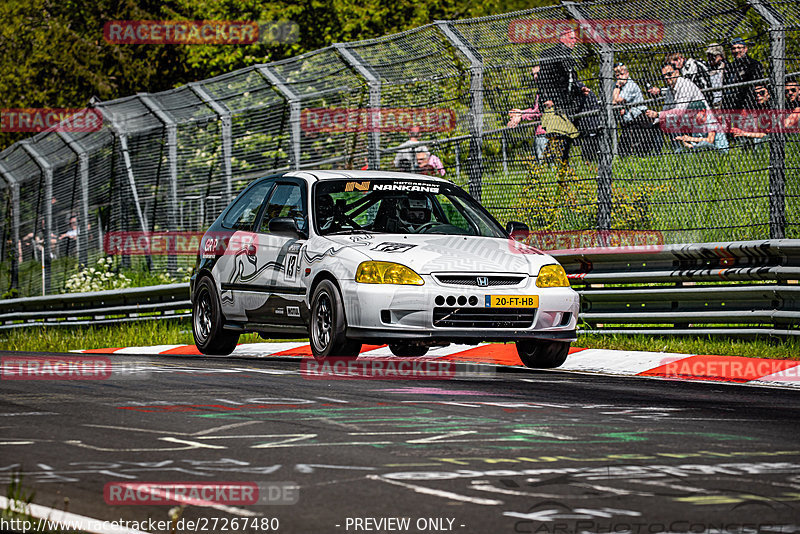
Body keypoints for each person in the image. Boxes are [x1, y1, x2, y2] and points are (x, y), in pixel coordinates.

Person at [537, 28, 596, 163]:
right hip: (556, 101)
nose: (574, 41)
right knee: (559, 135)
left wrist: (580, 88)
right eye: (571, 38)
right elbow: (543, 79)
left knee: (572, 131)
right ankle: (554, 164)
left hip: (568, 100)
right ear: (562, 38)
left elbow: (569, 80)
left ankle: (586, 156)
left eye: (575, 38)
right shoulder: (551, 54)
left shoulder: (568, 56)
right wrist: (548, 98)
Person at [613, 62, 661, 156]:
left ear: (627, 73)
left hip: (640, 118)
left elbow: (616, 101)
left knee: (642, 149)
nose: (619, 77)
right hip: (630, 120)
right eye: (617, 75)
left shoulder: (629, 85)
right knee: (623, 150)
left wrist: (617, 87)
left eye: (622, 74)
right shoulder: (618, 85)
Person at [507, 65, 549, 162]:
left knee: (545, 164)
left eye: (537, 74)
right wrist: (520, 113)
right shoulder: (540, 90)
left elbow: (540, 112)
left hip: (545, 132)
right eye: (533, 74)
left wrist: (521, 115)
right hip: (541, 132)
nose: (535, 77)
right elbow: (536, 110)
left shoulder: (547, 90)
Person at [722, 37, 765, 111]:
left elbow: (755, 86)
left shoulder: (753, 64)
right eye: (733, 48)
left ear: (745, 49)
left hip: (748, 104)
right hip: (731, 104)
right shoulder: (730, 66)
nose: (736, 50)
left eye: (739, 48)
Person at [706, 43, 726, 109]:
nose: (711, 58)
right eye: (709, 55)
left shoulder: (727, 68)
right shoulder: (705, 70)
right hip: (711, 104)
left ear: (721, 56)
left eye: (714, 55)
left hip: (724, 102)